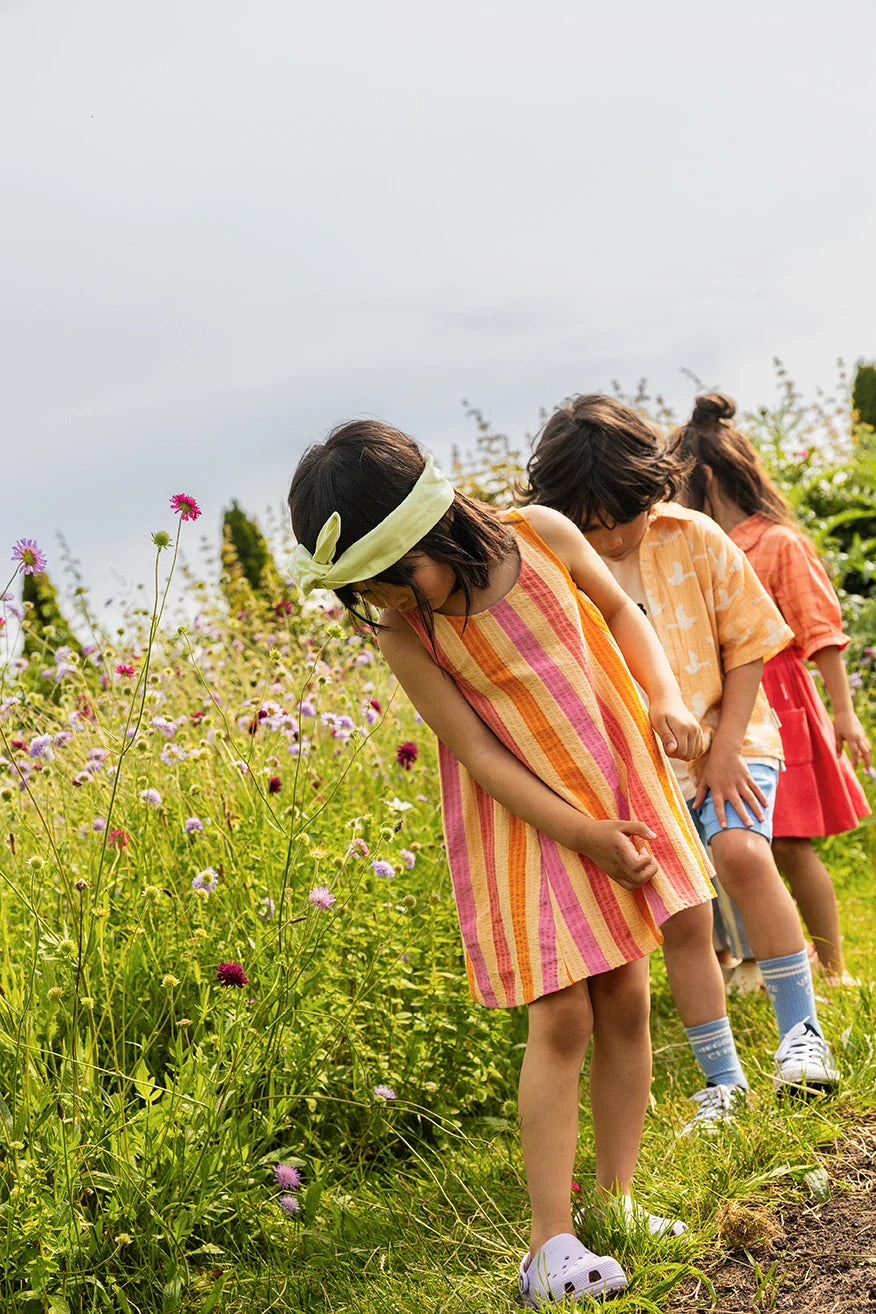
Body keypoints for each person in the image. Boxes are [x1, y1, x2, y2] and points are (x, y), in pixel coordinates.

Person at [287, 420, 716, 1306]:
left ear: (432, 534)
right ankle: (548, 1243)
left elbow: (623, 614)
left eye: (395, 582)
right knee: (562, 1014)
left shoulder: (547, 538)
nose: (393, 603)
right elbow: (482, 759)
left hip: (613, 790)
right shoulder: (410, 636)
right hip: (528, 825)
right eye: (368, 594)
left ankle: (619, 1203)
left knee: (628, 998)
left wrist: (666, 696)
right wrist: (583, 833)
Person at [518, 394, 839, 1136]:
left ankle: (802, 1036)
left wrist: (725, 751)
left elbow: (752, 643)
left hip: (732, 738)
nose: (607, 539)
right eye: (589, 528)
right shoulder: (559, 567)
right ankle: (722, 1082)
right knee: (687, 921)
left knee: (742, 855)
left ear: (650, 487)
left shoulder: (692, 535)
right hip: (644, 773)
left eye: (618, 521)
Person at [674, 393, 871, 986]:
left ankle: (834, 971)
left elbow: (821, 633)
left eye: (681, 481)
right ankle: (769, 961)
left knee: (791, 845)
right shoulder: (696, 546)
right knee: (741, 844)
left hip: (783, 700)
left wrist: (845, 713)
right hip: (729, 704)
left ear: (705, 476)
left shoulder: (779, 543)